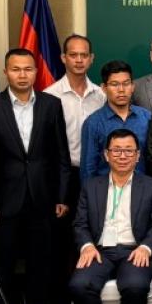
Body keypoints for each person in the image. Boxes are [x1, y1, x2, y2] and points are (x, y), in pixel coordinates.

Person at [0, 48, 72, 304]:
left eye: (28, 69)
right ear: (5, 72)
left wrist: (62, 197)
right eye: (16, 69)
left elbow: (61, 155)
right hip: (3, 201)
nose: (22, 75)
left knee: (41, 266)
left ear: (36, 72)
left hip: (42, 199)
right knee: (3, 266)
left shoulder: (51, 104)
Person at [69, 128, 152, 304]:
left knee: (135, 286)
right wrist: (87, 245)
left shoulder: (151, 186)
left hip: (134, 250)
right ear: (106, 154)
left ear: (138, 155)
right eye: (117, 150)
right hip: (100, 250)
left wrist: (146, 247)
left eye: (128, 150)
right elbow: (79, 223)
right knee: (79, 285)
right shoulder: (91, 186)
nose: (123, 156)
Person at [46, 34, 107, 189]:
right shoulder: (49, 96)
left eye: (84, 55)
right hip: (63, 174)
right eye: (73, 55)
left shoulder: (102, 96)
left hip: (98, 172)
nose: (79, 60)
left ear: (91, 58)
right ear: (63, 58)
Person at [81, 61, 152, 180]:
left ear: (132, 86)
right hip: (106, 192)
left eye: (126, 84)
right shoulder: (93, 123)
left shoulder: (146, 117)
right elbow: (88, 169)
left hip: (142, 191)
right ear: (104, 88)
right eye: (114, 84)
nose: (121, 90)